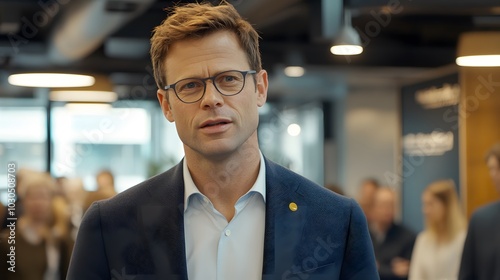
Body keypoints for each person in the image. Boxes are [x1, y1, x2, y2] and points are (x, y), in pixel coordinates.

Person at [67, 2, 378, 279]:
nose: (212, 99)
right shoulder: (110, 226)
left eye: (228, 79)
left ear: (260, 88)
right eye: (190, 86)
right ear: (166, 105)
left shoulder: (337, 220)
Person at [0, 171, 71, 280]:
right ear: (23, 200)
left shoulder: (58, 239)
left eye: (43, 196)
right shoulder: (8, 240)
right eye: (33, 197)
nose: (38, 202)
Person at [409, 179, 467, 280]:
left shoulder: (463, 238)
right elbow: (415, 276)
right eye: (424, 204)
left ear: (447, 205)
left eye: (430, 204)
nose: (425, 210)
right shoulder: (423, 239)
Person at [459, 142, 500, 280]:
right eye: (491, 169)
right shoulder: (481, 220)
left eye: (496, 169)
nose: (493, 175)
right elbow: (466, 273)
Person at [370, 187, 416, 280]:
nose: (388, 210)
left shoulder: (407, 237)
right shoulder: (364, 234)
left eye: (392, 205)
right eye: (383, 205)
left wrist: (376, 266)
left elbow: (405, 274)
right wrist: (390, 270)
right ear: (374, 207)